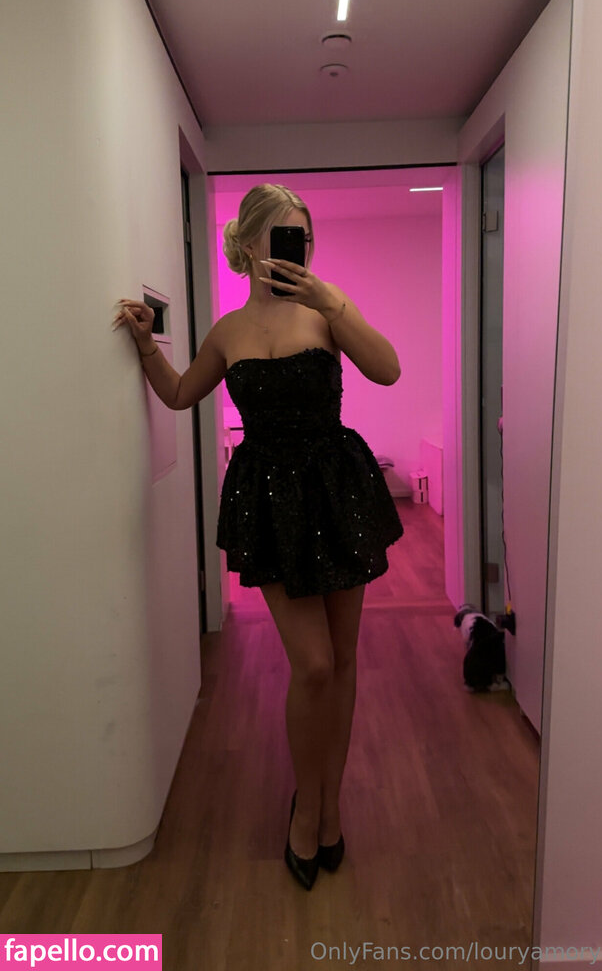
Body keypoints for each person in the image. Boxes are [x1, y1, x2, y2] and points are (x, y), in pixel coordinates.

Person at [111, 183, 404, 890]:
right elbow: (180, 394)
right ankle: (305, 807)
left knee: (343, 661)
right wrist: (146, 346)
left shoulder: (326, 311)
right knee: (313, 664)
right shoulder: (227, 332)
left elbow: (388, 369)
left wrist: (332, 302)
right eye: (281, 237)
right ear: (246, 246)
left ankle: (330, 804)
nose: (296, 251)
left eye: (304, 237)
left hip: (336, 488)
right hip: (270, 501)